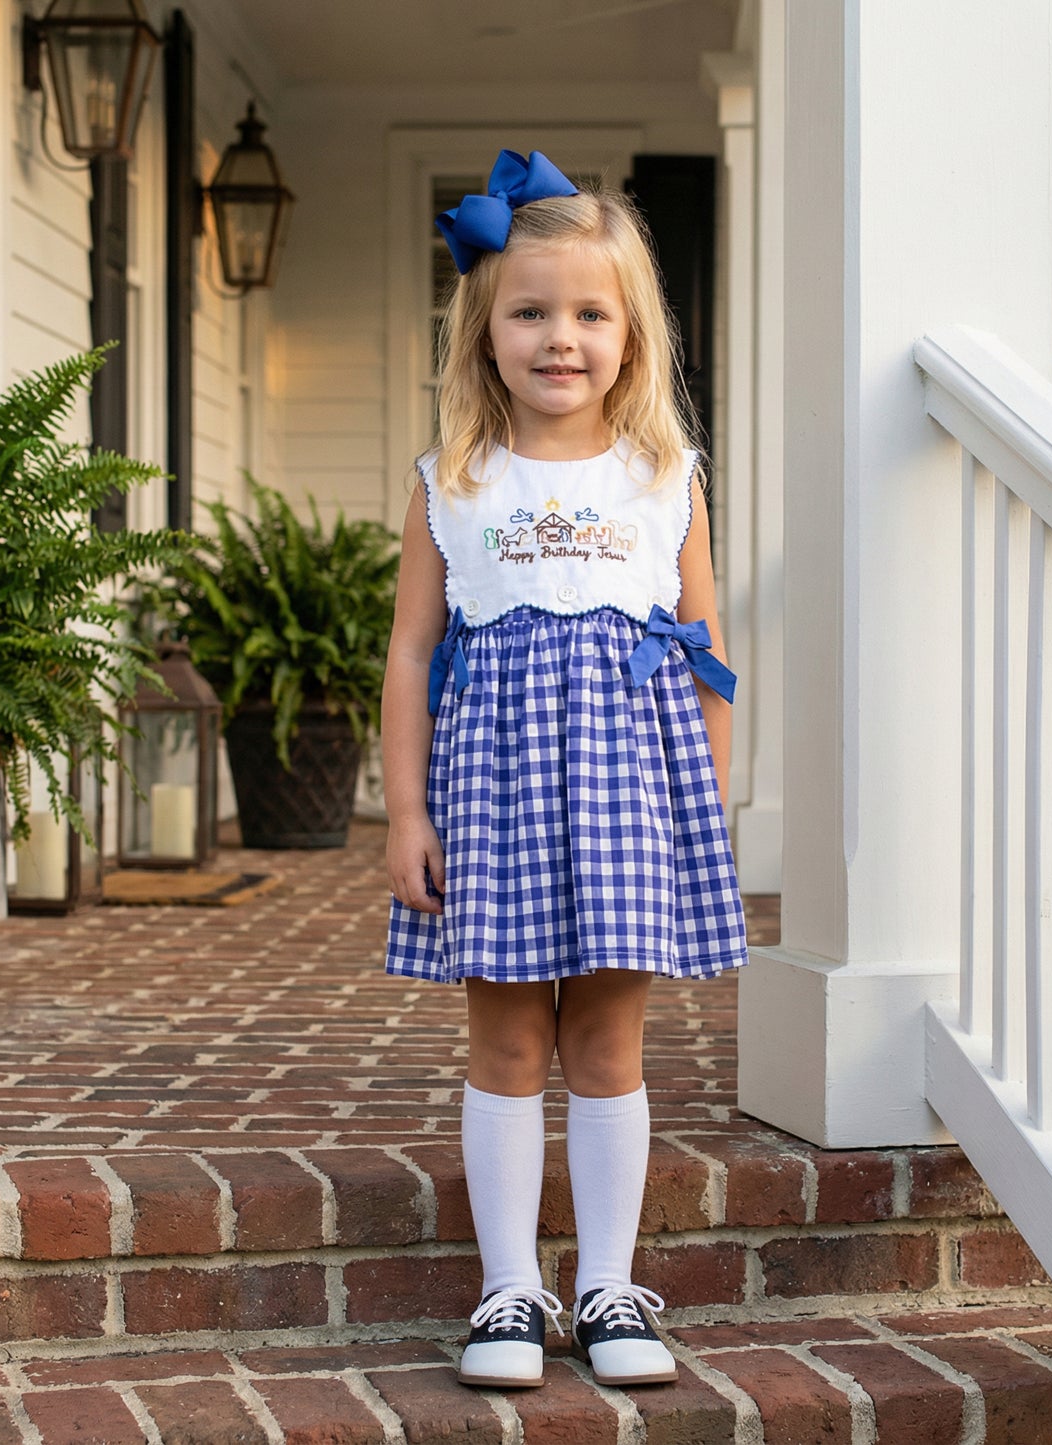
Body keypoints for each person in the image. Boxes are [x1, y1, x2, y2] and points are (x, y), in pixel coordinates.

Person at [382, 149, 747, 1392]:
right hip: (492, 801)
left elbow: (702, 654)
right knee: (502, 1044)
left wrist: (705, 802)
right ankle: (505, 1289)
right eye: (528, 312)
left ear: (629, 332)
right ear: (484, 333)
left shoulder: (664, 481)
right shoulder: (455, 483)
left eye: (589, 313)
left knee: (606, 1043)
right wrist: (404, 813)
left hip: (630, 805)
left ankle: (604, 1282)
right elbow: (411, 653)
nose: (559, 337)